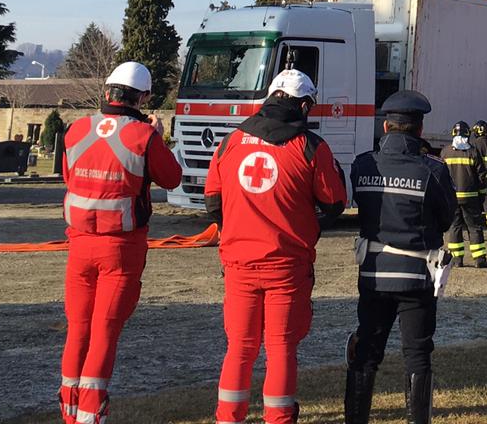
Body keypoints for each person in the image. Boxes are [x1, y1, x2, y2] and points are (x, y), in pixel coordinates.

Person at [204, 68, 346, 424]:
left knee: (239, 348)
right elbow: (333, 202)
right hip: (287, 265)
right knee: (281, 348)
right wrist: (305, 226)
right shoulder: (311, 146)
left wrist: (235, 228)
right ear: (303, 105)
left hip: (238, 263)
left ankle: (227, 417)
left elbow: (212, 201)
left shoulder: (232, 141)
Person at [58, 61, 183, 424]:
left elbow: (70, 177)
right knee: (105, 331)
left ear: (107, 92)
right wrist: (156, 135)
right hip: (122, 247)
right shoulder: (143, 135)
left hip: (79, 244)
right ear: (142, 97)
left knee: (78, 328)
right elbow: (172, 178)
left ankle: (69, 408)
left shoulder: (76, 129)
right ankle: (90, 415)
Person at [345, 90, 455, 424]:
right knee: (418, 354)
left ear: (386, 127)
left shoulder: (363, 165)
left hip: (374, 274)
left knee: (365, 352)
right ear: (419, 130)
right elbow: (447, 217)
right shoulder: (432, 171)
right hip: (416, 276)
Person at [443, 121, 487, 268]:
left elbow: (441, 176)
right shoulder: (473, 152)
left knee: (454, 227)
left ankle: (457, 260)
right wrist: (482, 196)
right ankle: (479, 260)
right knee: (474, 227)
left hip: (452, 198)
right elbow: (481, 177)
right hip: (470, 198)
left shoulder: (445, 152)